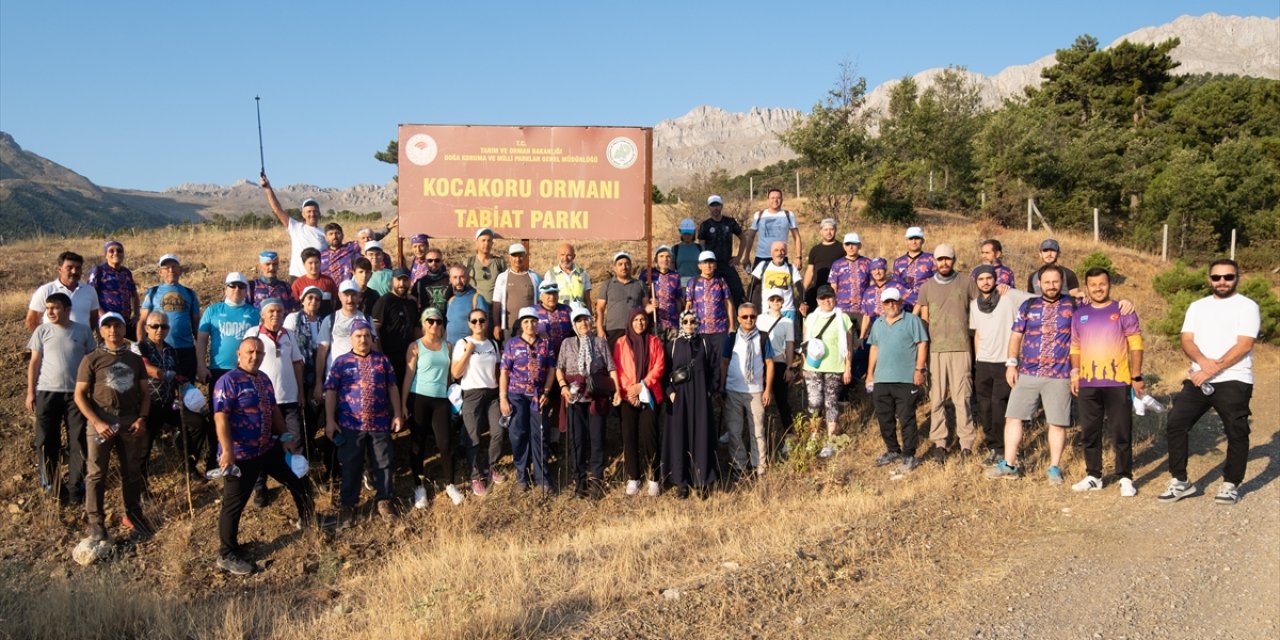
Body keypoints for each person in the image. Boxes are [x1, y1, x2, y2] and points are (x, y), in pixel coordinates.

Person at [212, 336, 317, 575]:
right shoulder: (228, 382)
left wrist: (287, 438)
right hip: (241, 455)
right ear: (239, 354)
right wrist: (227, 450)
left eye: (259, 353)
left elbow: (274, 411)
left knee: (297, 478)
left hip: (267, 448)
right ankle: (226, 553)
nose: (254, 356)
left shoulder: (263, 379)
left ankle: (308, 518)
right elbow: (221, 418)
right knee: (233, 504)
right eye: (250, 352)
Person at [1158, 259, 1260, 505]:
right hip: (1198, 377)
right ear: (1209, 279)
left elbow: (1244, 344)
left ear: (1237, 277)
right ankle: (1181, 481)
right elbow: (1187, 340)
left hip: (1234, 378)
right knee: (1176, 422)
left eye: (1228, 277)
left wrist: (1212, 368)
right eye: (1217, 277)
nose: (1222, 282)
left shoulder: (1247, 306)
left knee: (1236, 431)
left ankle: (1230, 484)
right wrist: (1203, 363)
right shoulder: (1197, 306)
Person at [986, 266, 1075, 484]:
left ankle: (1054, 467)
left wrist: (1124, 304)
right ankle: (1009, 464)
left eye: (1056, 282)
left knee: (1057, 422)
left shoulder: (1073, 305)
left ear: (1061, 282)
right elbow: (1016, 336)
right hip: (1027, 372)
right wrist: (1011, 364)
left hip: (1060, 374)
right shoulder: (1029, 305)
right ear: (1039, 284)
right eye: (1047, 282)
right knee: (1014, 417)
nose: (1051, 286)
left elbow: (1098, 311)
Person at [74, 312, 152, 541]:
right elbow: (79, 395)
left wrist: (142, 418)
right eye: (107, 326)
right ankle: (96, 522)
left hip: (129, 419)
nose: (113, 331)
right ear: (100, 331)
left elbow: (145, 394)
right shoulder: (92, 359)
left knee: (132, 471)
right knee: (96, 473)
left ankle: (135, 515)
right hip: (101, 420)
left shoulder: (134, 359)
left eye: (117, 326)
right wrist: (97, 422)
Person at [1069, 267, 1144, 496]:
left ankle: (1125, 477)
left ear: (1109, 284)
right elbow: (1075, 346)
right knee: (1089, 432)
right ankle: (1094, 475)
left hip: (1118, 382)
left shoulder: (1123, 310)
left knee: (1121, 431)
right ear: (1087, 287)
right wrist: (1074, 372)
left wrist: (1137, 375)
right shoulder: (1079, 314)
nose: (1098, 288)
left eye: (1102, 284)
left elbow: (1136, 344)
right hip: (1088, 383)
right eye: (1093, 285)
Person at [325, 320, 403, 525]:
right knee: (351, 465)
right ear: (351, 338)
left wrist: (397, 413)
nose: (363, 340)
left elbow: (393, 387)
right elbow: (331, 391)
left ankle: (384, 500)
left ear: (372, 338)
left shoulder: (382, 361)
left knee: (384, 462)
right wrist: (330, 420)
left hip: (379, 423)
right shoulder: (341, 362)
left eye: (367, 336)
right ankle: (348, 505)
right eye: (358, 336)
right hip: (351, 425)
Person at [26, 293, 95, 499]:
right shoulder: (42, 331)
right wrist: (31, 392)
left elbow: (90, 362)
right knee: (46, 440)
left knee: (78, 440)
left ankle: (76, 487)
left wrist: (91, 390)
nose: (50, 312)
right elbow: (35, 363)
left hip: (76, 395)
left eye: (55, 308)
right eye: (48, 308)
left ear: (67, 309)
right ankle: (52, 487)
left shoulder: (82, 331)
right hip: (47, 392)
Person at [915, 243, 978, 463]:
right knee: (937, 399)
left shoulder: (967, 282)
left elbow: (981, 308)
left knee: (963, 398)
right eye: (940, 259)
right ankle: (940, 443)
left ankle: (966, 444)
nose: (944, 263)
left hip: (961, 348)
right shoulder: (927, 287)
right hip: (936, 350)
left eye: (948, 259)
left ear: (954, 260)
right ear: (934, 260)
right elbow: (923, 318)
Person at [242, 299, 306, 508]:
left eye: (279, 310)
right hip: (263, 402)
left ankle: (298, 481)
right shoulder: (254, 333)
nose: (275, 314)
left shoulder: (288, 333)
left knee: (295, 441)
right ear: (262, 314)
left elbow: (297, 364)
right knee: (261, 445)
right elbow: (245, 364)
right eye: (271, 311)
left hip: (289, 399)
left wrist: (301, 392)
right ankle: (260, 487)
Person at [969, 266, 1035, 464]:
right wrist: (978, 358)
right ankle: (993, 447)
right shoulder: (974, 305)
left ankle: (1003, 449)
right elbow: (978, 333)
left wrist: (1012, 290)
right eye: (981, 279)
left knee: (1000, 407)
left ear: (995, 279)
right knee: (985, 407)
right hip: (984, 363)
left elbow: (1038, 300)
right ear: (976, 282)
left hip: (1005, 363)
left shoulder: (1009, 297)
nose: (986, 282)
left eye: (989, 278)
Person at [133, 310, 210, 481]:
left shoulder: (170, 350)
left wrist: (186, 390)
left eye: (164, 326)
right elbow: (146, 367)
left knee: (198, 424)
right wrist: (166, 374)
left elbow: (179, 376)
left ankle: (188, 464)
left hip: (169, 403)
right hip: (148, 404)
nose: (160, 329)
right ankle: (141, 488)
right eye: (155, 326)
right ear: (147, 328)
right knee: (144, 447)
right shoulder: (140, 347)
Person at [554, 308, 618, 499]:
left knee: (597, 439)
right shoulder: (567, 343)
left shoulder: (599, 343)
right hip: (574, 398)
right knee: (578, 440)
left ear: (591, 322)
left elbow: (611, 367)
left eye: (586, 320)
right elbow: (559, 368)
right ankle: (580, 481)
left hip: (596, 396)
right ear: (574, 324)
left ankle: (597, 479)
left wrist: (617, 391)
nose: (583, 324)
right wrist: (563, 386)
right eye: (579, 321)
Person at [403, 307, 463, 508]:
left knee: (445, 443)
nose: (434, 324)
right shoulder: (415, 346)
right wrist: (403, 404)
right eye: (430, 321)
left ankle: (450, 484)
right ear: (423, 323)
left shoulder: (448, 345)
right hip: (418, 397)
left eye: (438, 321)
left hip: (440, 399)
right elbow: (408, 376)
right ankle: (419, 486)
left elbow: (450, 375)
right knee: (417, 444)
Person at [866, 288, 929, 476]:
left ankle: (909, 454)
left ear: (900, 302)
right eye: (887, 302)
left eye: (894, 301)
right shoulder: (877, 323)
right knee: (884, 417)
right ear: (882, 305)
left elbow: (922, 344)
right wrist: (870, 374)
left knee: (906, 417)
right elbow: (874, 348)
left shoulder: (912, 320)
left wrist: (919, 369)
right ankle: (893, 449)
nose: (891, 305)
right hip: (882, 379)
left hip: (905, 378)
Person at [662, 310, 720, 499]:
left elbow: (715, 369)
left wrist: (710, 391)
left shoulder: (704, 343)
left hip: (701, 399)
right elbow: (665, 374)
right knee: (680, 437)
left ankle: (701, 481)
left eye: (692, 321)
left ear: (698, 323)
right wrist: (670, 394)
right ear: (681, 323)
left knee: (701, 437)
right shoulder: (672, 345)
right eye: (685, 321)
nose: (689, 324)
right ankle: (682, 483)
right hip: (679, 400)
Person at [500, 307, 556, 492]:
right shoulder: (512, 344)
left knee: (539, 435)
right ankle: (522, 475)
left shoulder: (545, 344)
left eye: (533, 321)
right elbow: (504, 372)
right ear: (521, 324)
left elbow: (551, 370)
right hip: (516, 395)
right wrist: (503, 398)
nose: (530, 325)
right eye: (526, 322)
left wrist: (547, 392)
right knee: (518, 435)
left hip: (537, 397)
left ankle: (542, 478)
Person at [451, 308, 504, 494]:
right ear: (469, 324)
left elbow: (498, 371)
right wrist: (468, 353)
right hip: (471, 393)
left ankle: (492, 467)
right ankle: (475, 476)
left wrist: (501, 393)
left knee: (497, 431)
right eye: (474, 321)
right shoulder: (463, 343)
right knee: (473, 437)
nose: (478, 324)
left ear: (487, 321)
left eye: (481, 320)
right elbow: (455, 373)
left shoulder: (493, 344)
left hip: (492, 394)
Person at [614, 309, 666, 496]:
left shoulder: (654, 341)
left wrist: (642, 386)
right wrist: (631, 391)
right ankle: (633, 477)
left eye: (642, 319)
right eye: (635, 320)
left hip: (650, 394)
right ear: (630, 322)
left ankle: (653, 478)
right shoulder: (621, 343)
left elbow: (659, 367)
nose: (639, 323)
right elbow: (618, 369)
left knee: (649, 436)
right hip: (628, 397)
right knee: (629, 437)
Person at [721, 303, 774, 479]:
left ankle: (760, 467)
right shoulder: (731, 338)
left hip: (756, 391)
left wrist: (768, 389)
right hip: (733, 390)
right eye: (745, 317)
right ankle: (739, 466)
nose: (749, 320)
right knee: (735, 431)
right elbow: (724, 363)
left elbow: (769, 363)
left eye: (752, 316)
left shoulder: (763, 337)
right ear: (738, 319)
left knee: (757, 431)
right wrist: (722, 388)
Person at [283, 286, 331, 480]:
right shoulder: (293, 319)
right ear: (302, 300)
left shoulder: (324, 321)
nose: (313, 302)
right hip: (299, 375)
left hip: (319, 374)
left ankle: (311, 444)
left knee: (315, 412)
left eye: (317, 299)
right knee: (302, 414)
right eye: (309, 298)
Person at [802, 286, 853, 459]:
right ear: (817, 301)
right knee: (814, 402)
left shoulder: (843, 318)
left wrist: (848, 367)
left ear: (835, 297)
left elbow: (849, 346)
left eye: (829, 297)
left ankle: (831, 439)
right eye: (823, 298)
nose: (826, 301)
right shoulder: (811, 318)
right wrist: (804, 365)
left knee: (831, 402)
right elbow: (805, 344)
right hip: (813, 366)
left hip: (835, 366)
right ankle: (815, 436)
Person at [138, 254, 201, 382]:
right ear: (160, 272)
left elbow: (196, 324)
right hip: (160, 350)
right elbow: (142, 321)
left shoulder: (190, 293)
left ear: (180, 270)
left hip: (185, 349)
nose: (171, 270)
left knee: (187, 389)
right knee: (163, 387)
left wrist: (200, 355)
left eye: (174, 267)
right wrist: (141, 346)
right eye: (166, 268)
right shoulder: (153, 292)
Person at [197, 272, 261, 394]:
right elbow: (201, 340)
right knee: (218, 410)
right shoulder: (212, 311)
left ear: (246, 291)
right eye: (233, 285)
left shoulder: (254, 312)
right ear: (225, 289)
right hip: (219, 369)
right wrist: (201, 366)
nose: (237, 289)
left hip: (246, 369)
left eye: (241, 286)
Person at [315, 280, 379, 401]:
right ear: (339, 296)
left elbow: (374, 349)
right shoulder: (330, 320)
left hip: (362, 380)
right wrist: (318, 383)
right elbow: (322, 353)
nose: (350, 299)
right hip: (335, 379)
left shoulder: (367, 319)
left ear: (359, 297)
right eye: (346, 295)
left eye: (353, 295)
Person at [260, 174, 325, 279]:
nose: (312, 214)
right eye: (308, 211)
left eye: (315, 211)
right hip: (298, 277)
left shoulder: (325, 233)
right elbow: (277, 209)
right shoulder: (296, 227)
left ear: (319, 213)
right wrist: (268, 188)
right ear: (303, 214)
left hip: (317, 277)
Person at [829, 233, 872, 379]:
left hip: (863, 311)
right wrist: (834, 310)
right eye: (848, 244)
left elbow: (872, 286)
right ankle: (843, 376)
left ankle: (858, 376)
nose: (851, 247)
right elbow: (833, 288)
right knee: (844, 344)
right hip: (843, 311)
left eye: (854, 244)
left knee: (863, 343)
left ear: (859, 245)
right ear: (844, 246)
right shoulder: (837, 264)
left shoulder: (868, 263)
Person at [26, 251, 100, 332]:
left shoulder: (89, 291)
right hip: (54, 343)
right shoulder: (46, 290)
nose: (74, 271)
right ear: (59, 269)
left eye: (78, 268)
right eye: (69, 268)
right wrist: (44, 340)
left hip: (81, 343)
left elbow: (93, 319)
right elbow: (32, 321)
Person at [370, 268, 421, 383]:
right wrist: (380, 356)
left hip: (409, 357)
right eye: (398, 280)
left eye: (405, 280)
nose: (402, 284)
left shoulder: (412, 303)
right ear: (392, 281)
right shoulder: (384, 302)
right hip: (389, 358)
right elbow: (375, 331)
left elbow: (416, 329)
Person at [759, 291, 796, 440]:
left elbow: (790, 346)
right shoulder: (759, 319)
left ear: (783, 302)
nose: (775, 302)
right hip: (761, 362)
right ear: (768, 301)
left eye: (778, 299)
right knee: (759, 400)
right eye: (772, 299)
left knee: (782, 400)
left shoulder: (787, 322)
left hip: (778, 361)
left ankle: (790, 434)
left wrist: (789, 367)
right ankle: (761, 434)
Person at [698, 194, 746, 306]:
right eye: (712, 205)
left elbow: (743, 238)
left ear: (722, 206)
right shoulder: (705, 225)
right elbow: (701, 246)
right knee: (712, 294)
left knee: (737, 292)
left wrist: (738, 257)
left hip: (727, 263)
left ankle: (739, 319)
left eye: (717, 205)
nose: (715, 208)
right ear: (709, 207)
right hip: (711, 266)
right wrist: (704, 264)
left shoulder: (730, 222)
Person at [738, 188, 803, 271]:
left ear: (782, 200)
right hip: (761, 257)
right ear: (768, 200)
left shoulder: (788, 215)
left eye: (778, 198)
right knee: (757, 284)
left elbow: (797, 237)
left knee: (781, 283)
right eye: (772, 198)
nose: (775, 200)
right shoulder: (759, 215)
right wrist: (746, 256)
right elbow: (751, 237)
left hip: (781, 256)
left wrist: (798, 257)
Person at [685, 251, 735, 358]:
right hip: (699, 329)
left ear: (715, 265)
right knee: (701, 361)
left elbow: (728, 303)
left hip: (719, 329)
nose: (708, 265)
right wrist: (687, 325)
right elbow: (688, 305)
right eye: (704, 262)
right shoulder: (692, 282)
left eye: (711, 262)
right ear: (699, 265)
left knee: (720, 361)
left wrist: (731, 326)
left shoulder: (721, 281)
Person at [87, 241, 139, 341]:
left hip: (125, 320)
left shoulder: (126, 272)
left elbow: (134, 294)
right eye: (111, 251)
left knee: (139, 342)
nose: (116, 253)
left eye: (119, 251)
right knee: (109, 350)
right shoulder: (99, 271)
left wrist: (136, 314)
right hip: (106, 320)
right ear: (105, 255)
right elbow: (90, 295)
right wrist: (102, 315)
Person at [595, 252, 647, 345]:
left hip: (635, 330)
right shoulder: (607, 284)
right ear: (614, 267)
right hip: (613, 331)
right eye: (620, 264)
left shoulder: (640, 284)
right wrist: (599, 329)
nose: (624, 267)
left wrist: (653, 305)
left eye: (627, 264)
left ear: (631, 266)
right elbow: (600, 308)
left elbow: (646, 307)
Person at [749, 241, 804, 329]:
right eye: (776, 250)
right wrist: (749, 303)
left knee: (788, 340)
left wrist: (803, 302)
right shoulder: (763, 266)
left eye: (782, 250)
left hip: (788, 310)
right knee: (769, 338)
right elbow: (752, 285)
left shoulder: (791, 268)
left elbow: (800, 287)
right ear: (771, 253)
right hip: (768, 310)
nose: (779, 253)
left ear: (785, 252)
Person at [492, 243, 541, 340]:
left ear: (525, 257)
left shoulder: (535, 277)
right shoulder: (502, 277)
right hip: (509, 328)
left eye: (520, 256)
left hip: (530, 328)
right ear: (509, 257)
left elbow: (540, 302)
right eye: (514, 256)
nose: (517, 259)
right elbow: (496, 303)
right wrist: (497, 325)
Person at [857, 258, 903, 351]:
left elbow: (916, 301)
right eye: (874, 269)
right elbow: (866, 316)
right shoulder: (868, 291)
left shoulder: (897, 286)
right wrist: (862, 336)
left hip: (895, 332)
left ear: (885, 270)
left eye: (880, 268)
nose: (877, 272)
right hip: (876, 333)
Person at [641, 246, 683, 340]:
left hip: (672, 323)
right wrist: (649, 301)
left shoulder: (675, 276)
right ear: (656, 258)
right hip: (654, 322)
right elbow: (640, 295)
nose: (665, 259)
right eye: (661, 256)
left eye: (668, 256)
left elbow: (678, 299)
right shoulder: (647, 274)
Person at [803, 218, 844, 311]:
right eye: (825, 230)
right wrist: (803, 290)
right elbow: (810, 271)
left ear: (835, 230)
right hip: (818, 288)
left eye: (831, 229)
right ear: (821, 231)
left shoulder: (842, 248)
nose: (828, 232)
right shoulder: (815, 250)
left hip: (837, 289)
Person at [445, 264, 491, 345]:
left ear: (468, 278)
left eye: (462, 277)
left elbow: (485, 327)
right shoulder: (451, 301)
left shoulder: (477, 299)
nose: (458, 281)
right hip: (451, 350)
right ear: (450, 279)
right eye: (455, 277)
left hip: (470, 349)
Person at [892, 226, 935, 311]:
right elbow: (895, 285)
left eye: (917, 238)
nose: (914, 242)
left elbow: (938, 282)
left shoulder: (932, 259)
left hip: (926, 305)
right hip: (904, 306)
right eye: (911, 239)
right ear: (906, 241)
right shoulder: (898, 262)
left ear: (922, 241)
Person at [291, 247, 339, 318]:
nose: (314, 266)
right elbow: (294, 306)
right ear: (304, 264)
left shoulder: (329, 281)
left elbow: (335, 302)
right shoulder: (298, 283)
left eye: (316, 262)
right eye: (310, 263)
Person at [543, 243, 591, 310]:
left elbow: (587, 299)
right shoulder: (550, 274)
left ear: (574, 256)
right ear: (558, 256)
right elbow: (546, 300)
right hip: (560, 315)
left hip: (579, 315)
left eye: (569, 255)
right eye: (562, 255)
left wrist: (589, 316)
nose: (565, 258)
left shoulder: (583, 274)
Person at [467, 228, 506, 304]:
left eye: (489, 241)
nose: (486, 243)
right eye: (483, 240)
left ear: (492, 243)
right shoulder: (468, 262)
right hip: (475, 309)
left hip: (494, 308)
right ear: (477, 242)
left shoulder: (499, 262)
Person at [410, 248, 450, 316]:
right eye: (430, 261)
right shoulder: (420, 283)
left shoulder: (450, 281)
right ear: (425, 262)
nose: (433, 263)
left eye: (437, 260)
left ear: (442, 262)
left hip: (446, 322)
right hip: (427, 322)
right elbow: (412, 304)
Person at [672, 218, 703, 287]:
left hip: (697, 283)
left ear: (694, 232)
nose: (687, 236)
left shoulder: (700, 248)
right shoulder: (675, 249)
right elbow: (672, 270)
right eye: (685, 233)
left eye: (689, 233)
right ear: (680, 232)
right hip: (680, 284)